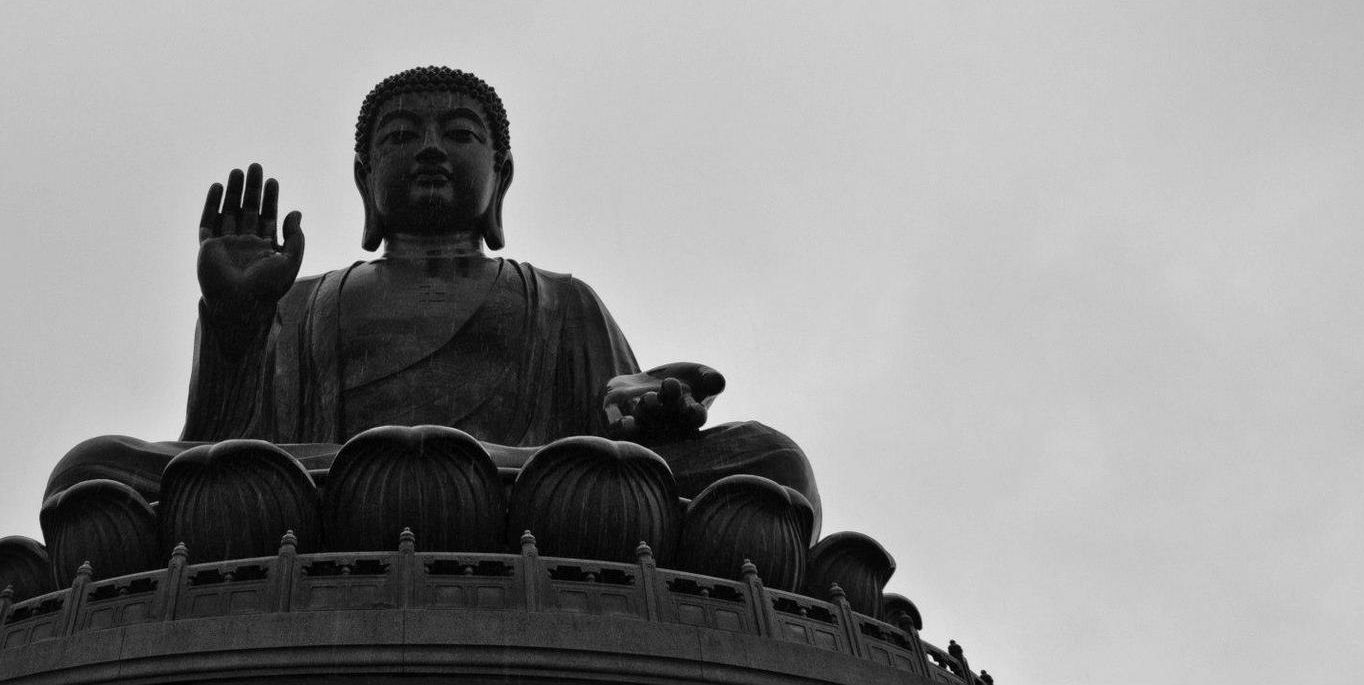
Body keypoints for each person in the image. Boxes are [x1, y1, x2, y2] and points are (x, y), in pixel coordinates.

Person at [49, 67, 820, 533]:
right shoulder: (304, 302)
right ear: (363, 183)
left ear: (502, 178)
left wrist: (647, 408)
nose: (427, 149)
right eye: (398, 138)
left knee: (772, 461)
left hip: (529, 495)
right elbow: (219, 448)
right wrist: (236, 324)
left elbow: (620, 446)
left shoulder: (561, 302)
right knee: (92, 474)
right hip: (324, 490)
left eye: (457, 134)